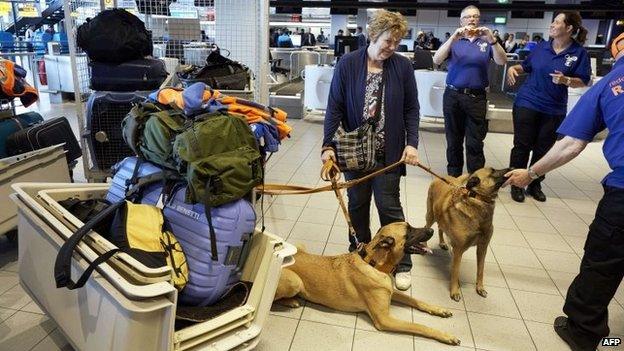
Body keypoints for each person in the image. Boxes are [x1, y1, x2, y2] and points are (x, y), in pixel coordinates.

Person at [504, 32, 624, 351]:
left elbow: (571, 144)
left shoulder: (609, 85)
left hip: (623, 195)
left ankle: (585, 334)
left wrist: (530, 173)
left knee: (602, 263)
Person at [322, 10, 420, 291]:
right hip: (354, 152)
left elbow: (412, 108)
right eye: (388, 40)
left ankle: (402, 263)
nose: (392, 47)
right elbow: (335, 108)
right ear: (373, 34)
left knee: (389, 205)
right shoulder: (349, 63)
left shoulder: (402, 67)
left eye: (397, 42)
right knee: (357, 205)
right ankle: (361, 254)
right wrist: (327, 146)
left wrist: (411, 143)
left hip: (388, 153)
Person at [506, 11, 590, 202]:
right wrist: (513, 68)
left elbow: (584, 81)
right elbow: (526, 67)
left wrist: (566, 79)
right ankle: (515, 183)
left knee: (543, 149)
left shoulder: (578, 53)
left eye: (556, 22)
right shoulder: (541, 47)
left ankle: (535, 183)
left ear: (569, 28)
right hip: (527, 102)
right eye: (552, 22)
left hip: (554, 109)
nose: (551, 25)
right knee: (521, 146)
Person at [432, 5, 507, 177]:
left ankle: (475, 180)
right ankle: (454, 177)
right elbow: (436, 59)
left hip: (476, 98)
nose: (472, 19)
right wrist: (453, 37)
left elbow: (502, 61)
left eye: (475, 16)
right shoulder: (455, 41)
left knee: (475, 142)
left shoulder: (487, 41)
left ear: (479, 20)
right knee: (453, 141)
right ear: (461, 21)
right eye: (467, 17)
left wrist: (492, 39)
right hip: (453, 96)